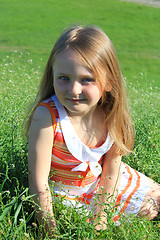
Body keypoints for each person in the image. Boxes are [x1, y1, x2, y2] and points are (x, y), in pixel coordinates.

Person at [27, 25, 160, 235]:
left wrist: (102, 216)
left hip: (102, 187)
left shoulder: (111, 115)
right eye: (64, 78)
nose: (74, 90)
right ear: (52, 75)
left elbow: (111, 172)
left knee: (156, 199)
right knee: (143, 211)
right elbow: (38, 181)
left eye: (86, 79)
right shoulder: (47, 116)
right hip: (68, 196)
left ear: (109, 82)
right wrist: (48, 230)